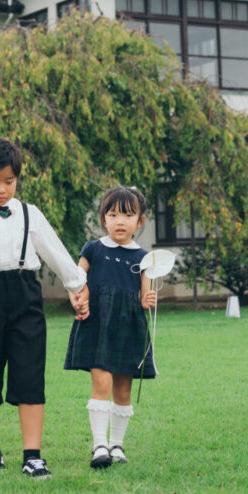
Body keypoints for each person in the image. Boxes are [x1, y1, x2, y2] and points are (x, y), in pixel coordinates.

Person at [0, 138, 89, 480]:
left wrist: (77, 286)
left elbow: (55, 251)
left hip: (25, 294)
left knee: (30, 373)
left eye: (9, 182)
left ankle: (33, 455)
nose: (2, 190)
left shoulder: (29, 213)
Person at [66, 186, 158, 469]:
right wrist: (76, 297)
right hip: (98, 323)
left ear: (140, 221)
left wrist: (149, 299)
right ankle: (99, 446)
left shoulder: (143, 257)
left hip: (128, 327)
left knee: (122, 389)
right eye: (113, 214)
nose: (120, 220)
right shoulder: (92, 249)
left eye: (128, 215)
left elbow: (146, 295)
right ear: (103, 218)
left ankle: (117, 444)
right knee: (101, 382)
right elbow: (75, 279)